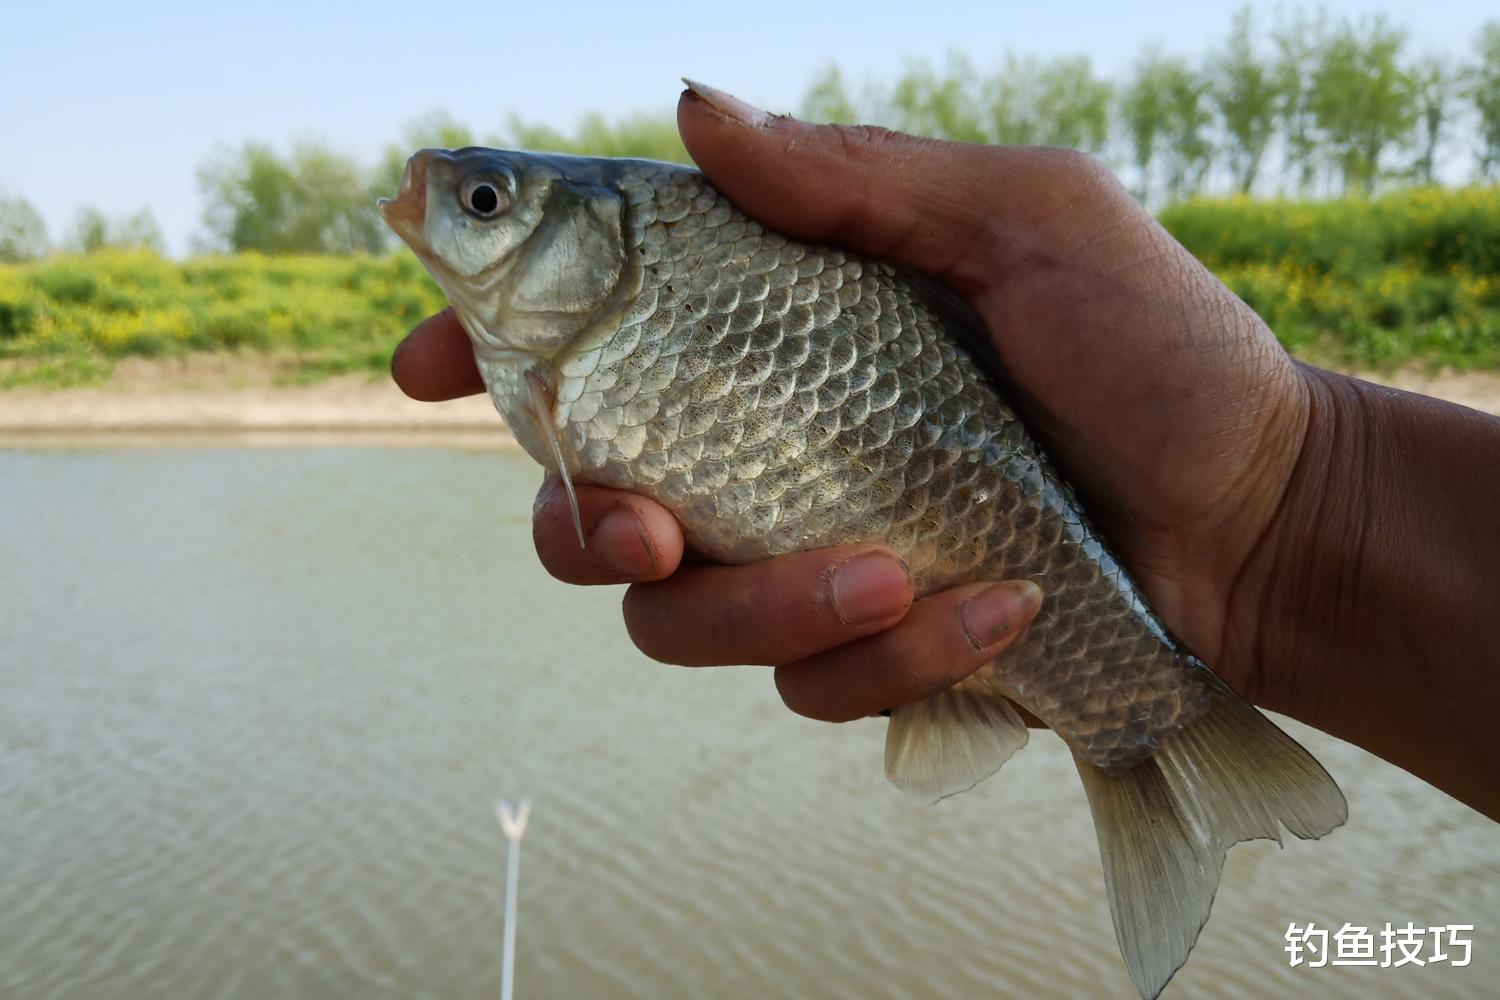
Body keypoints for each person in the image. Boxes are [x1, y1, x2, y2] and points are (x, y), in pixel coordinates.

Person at [391, 83, 1500, 820]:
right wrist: (1289, 506)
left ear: (590, 243)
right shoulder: (547, 347)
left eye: (485, 199)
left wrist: (1285, 490)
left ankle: (1143, 714)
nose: (450, 200)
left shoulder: (616, 286)